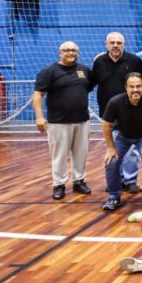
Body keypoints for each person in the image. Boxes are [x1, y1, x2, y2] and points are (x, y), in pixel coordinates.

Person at [32, 41, 93, 200]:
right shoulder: (49, 71)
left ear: (78, 53)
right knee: (59, 154)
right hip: (58, 122)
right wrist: (39, 117)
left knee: (81, 153)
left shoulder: (84, 70)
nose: (70, 53)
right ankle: (58, 184)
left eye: (73, 50)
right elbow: (38, 94)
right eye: (67, 50)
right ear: (60, 53)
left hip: (82, 121)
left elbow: (87, 87)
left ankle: (79, 181)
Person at [101, 73, 142, 211]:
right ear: (126, 88)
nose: (135, 90)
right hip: (122, 136)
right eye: (132, 87)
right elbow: (106, 125)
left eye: (139, 86)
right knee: (111, 161)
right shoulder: (115, 102)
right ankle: (114, 197)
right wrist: (111, 148)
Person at [91, 32, 142, 117]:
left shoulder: (134, 61)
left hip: (130, 110)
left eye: (119, 43)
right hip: (106, 110)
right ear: (106, 44)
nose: (115, 45)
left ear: (124, 44)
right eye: (112, 43)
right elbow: (91, 83)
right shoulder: (99, 61)